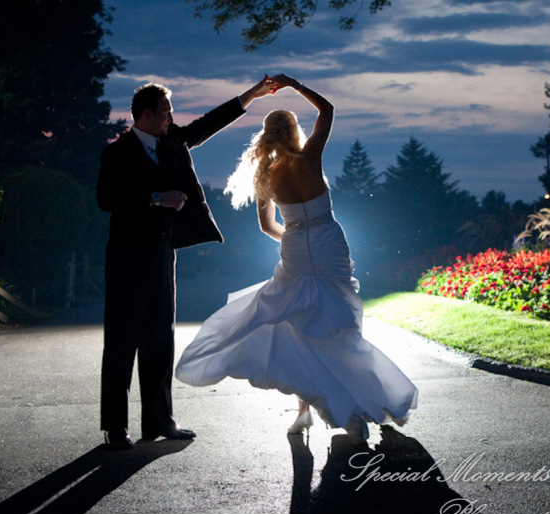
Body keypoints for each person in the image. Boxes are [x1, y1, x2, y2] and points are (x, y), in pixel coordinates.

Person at [174, 74, 418, 442]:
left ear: (268, 135)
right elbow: (328, 110)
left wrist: (293, 237)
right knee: (339, 325)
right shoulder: (310, 156)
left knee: (297, 326)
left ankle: (305, 410)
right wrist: (295, 85)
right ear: (294, 131)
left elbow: (266, 225)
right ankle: (357, 402)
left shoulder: (265, 175)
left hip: (295, 248)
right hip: (329, 243)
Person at [96, 76, 275, 449]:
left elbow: (206, 124)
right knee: (121, 342)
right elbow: (107, 198)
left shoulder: (172, 141)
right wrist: (156, 197)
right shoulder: (117, 153)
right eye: (165, 111)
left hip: (163, 253)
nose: (171, 117)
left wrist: (252, 95)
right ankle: (115, 427)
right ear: (146, 115)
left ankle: (159, 421)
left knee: (161, 338)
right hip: (126, 257)